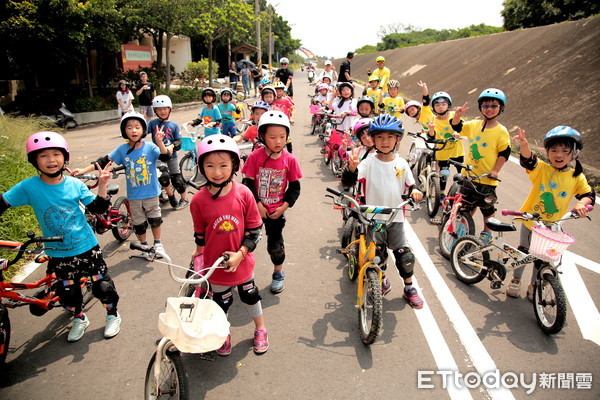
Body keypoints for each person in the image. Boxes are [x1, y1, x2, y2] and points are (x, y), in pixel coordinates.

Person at [0, 131, 122, 342]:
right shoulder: (28, 187)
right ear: (34, 160)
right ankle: (79, 318)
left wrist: (102, 184)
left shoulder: (74, 185)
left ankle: (112, 315)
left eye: (56, 154)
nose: (51, 160)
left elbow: (99, 208)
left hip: (86, 248)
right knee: (69, 292)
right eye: (43, 155)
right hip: (57, 252)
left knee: (103, 287)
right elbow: (2, 203)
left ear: (64, 157)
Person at [190, 134, 268, 355]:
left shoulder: (244, 193)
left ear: (234, 165)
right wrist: (198, 254)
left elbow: (255, 229)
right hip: (215, 266)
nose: (217, 172)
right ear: (201, 168)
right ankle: (223, 333)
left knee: (249, 295)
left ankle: (261, 329)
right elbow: (199, 232)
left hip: (241, 262)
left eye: (223, 165)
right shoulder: (198, 200)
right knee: (220, 302)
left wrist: (240, 254)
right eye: (210, 166)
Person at [341, 115, 424, 308]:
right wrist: (351, 168)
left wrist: (416, 191)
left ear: (397, 139)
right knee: (377, 254)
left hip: (395, 217)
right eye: (379, 137)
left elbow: (412, 185)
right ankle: (382, 279)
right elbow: (349, 182)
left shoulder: (402, 163)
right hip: (372, 218)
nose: (384, 142)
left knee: (404, 256)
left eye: (390, 137)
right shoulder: (368, 162)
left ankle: (409, 288)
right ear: (373, 139)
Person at [506, 126, 595, 300]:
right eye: (554, 150)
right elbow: (529, 160)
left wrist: (581, 205)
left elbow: (587, 195)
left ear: (574, 153)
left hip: (552, 226)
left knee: (542, 257)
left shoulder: (576, 176)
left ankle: (534, 284)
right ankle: (516, 279)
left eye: (564, 151)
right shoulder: (543, 170)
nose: (559, 155)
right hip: (531, 221)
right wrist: (524, 145)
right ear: (547, 152)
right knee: (524, 251)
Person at [72, 111, 172, 260]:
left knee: (155, 219)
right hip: (135, 196)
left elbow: (165, 156)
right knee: (139, 224)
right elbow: (103, 161)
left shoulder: (150, 147)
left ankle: (158, 244)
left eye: (137, 127)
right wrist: (83, 170)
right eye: (129, 127)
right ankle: (144, 246)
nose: (133, 130)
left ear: (143, 130)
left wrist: (159, 142)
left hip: (151, 193)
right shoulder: (122, 149)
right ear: (124, 131)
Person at [241, 111, 303, 294]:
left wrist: (283, 207)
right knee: (244, 243)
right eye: (273, 137)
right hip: (254, 211)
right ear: (262, 136)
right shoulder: (255, 157)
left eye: (282, 137)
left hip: (276, 212)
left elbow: (294, 189)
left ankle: (278, 273)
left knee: (275, 246)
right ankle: (242, 276)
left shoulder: (289, 160)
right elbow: (248, 184)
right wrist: (258, 204)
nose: (278, 141)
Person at [451, 88, 511, 244]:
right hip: (469, 174)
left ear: (501, 108)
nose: (489, 109)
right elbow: (457, 127)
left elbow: (504, 153)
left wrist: (496, 171)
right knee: (467, 204)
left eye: (493, 106)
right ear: (480, 107)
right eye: (485, 105)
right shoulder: (474, 125)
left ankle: (487, 232)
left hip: (487, 178)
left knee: (487, 208)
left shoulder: (501, 131)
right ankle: (464, 228)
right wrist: (457, 116)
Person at [147, 95, 189, 210]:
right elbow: (141, 132)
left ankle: (184, 198)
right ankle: (171, 197)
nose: (162, 111)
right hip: (158, 156)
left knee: (177, 180)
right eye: (159, 109)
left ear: (169, 109)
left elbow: (179, 141)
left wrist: (172, 146)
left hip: (172, 156)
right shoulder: (152, 123)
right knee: (163, 176)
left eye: (165, 108)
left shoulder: (173, 125)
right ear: (155, 111)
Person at [427, 91, 465, 201]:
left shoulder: (454, 116)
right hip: (442, 152)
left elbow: (461, 128)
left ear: (448, 105)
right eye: (437, 105)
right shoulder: (433, 120)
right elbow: (431, 136)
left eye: (443, 104)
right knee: (444, 173)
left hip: (457, 151)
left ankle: (462, 193)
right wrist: (431, 130)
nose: (440, 107)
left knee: (461, 173)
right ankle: (442, 193)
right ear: (433, 107)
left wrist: (457, 133)